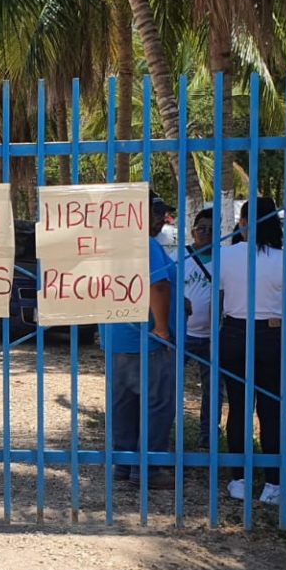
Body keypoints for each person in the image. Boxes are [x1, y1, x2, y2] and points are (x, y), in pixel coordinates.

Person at [220, 196, 286, 505]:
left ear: (243, 223)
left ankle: (239, 480)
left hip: (234, 333)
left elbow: (220, 291)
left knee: (238, 408)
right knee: (271, 410)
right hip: (271, 334)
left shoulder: (226, 254)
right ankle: (273, 484)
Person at [105, 195, 177, 489]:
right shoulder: (145, 245)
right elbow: (157, 286)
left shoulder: (109, 245)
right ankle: (149, 469)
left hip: (116, 335)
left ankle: (124, 463)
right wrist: (162, 328)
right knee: (157, 405)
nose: (158, 217)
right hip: (147, 338)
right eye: (153, 211)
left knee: (123, 404)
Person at [180, 207, 219, 449]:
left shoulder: (225, 259)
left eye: (212, 230)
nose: (206, 233)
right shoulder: (178, 257)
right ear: (193, 231)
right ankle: (166, 433)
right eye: (201, 228)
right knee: (170, 385)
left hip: (213, 336)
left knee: (213, 390)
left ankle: (208, 436)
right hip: (182, 334)